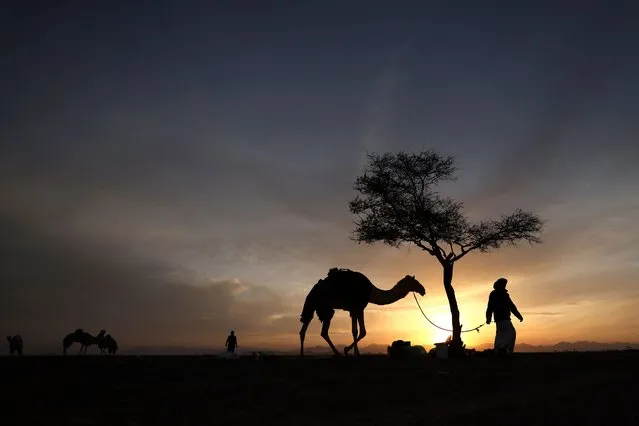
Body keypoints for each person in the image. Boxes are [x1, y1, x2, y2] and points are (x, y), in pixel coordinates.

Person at [486, 278, 523, 355]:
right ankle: (504, 349)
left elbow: (490, 307)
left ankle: (499, 350)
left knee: (500, 334)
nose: (505, 285)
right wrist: (519, 316)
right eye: (504, 284)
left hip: (499, 319)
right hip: (504, 318)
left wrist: (488, 318)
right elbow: (511, 306)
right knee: (511, 333)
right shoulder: (503, 295)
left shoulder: (494, 294)